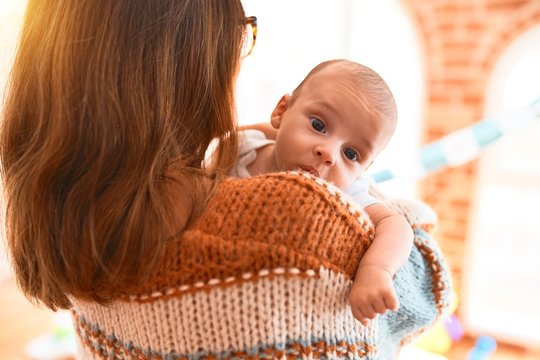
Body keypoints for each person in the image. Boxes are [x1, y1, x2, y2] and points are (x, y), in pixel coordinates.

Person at [1, 1, 450, 358]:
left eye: (352, 154)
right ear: (186, 58)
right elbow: (424, 294)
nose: (328, 153)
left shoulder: (74, 209)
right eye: (240, 30)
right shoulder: (301, 217)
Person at [233, 59, 414, 326]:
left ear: (363, 170)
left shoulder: (344, 192)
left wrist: (376, 269)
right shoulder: (239, 150)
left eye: (351, 154)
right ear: (281, 110)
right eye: (319, 125)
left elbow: (395, 225)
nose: (328, 154)